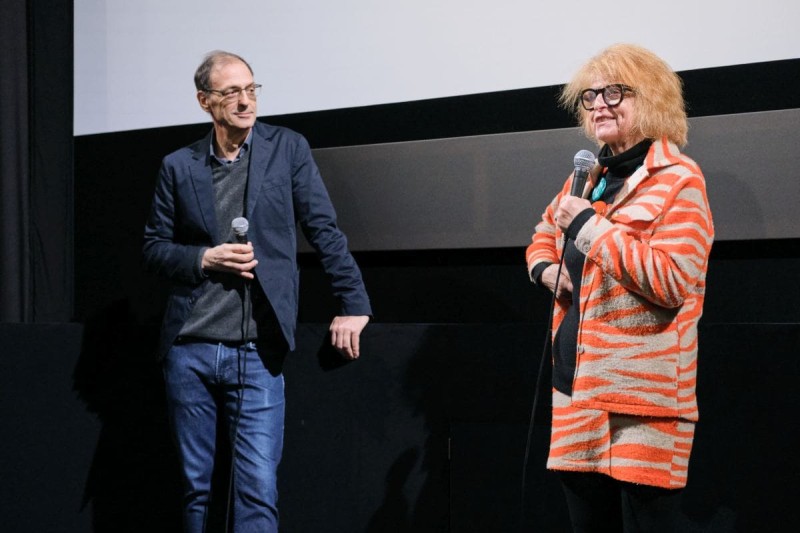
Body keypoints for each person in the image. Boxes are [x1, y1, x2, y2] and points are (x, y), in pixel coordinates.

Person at [142, 50, 371, 532]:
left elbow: (323, 229)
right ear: (205, 101)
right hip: (190, 349)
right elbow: (154, 248)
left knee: (257, 491)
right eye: (231, 92)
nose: (246, 101)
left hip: (256, 348)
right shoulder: (178, 166)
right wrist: (204, 257)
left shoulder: (287, 148)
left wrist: (353, 304)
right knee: (195, 489)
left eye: (251, 89)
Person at [525, 44, 714, 532]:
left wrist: (590, 228)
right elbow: (544, 236)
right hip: (575, 395)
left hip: (641, 405)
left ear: (651, 98)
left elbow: (672, 280)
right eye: (590, 96)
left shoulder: (679, 181)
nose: (599, 104)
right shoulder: (586, 176)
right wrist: (546, 270)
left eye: (614, 91)